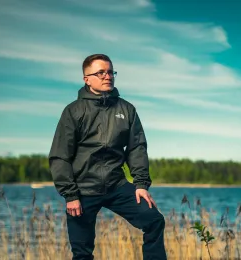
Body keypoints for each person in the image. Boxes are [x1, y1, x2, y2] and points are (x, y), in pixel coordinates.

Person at [48, 54, 167, 260]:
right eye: (101, 72)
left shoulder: (126, 109)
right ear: (87, 78)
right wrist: (70, 195)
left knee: (154, 220)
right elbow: (60, 156)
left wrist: (140, 184)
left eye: (111, 72)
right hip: (82, 189)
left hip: (116, 185)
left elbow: (136, 148)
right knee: (82, 253)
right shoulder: (74, 111)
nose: (107, 76)